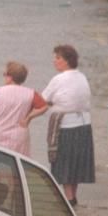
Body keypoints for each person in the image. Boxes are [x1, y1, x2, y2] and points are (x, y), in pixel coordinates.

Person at [40, 45, 95, 206]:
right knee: (76, 162)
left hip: (66, 126)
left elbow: (43, 99)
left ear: (67, 61)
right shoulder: (82, 77)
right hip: (84, 125)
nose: (54, 61)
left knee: (64, 161)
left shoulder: (59, 79)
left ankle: (69, 198)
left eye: (58, 58)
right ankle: (72, 196)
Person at [0, 61, 47, 157]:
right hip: (18, 137)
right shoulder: (31, 93)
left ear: (10, 77)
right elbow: (44, 107)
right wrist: (29, 117)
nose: (4, 77)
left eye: (5, 74)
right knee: (18, 164)